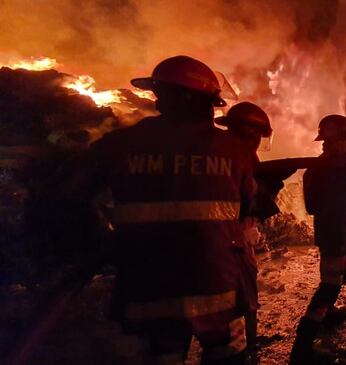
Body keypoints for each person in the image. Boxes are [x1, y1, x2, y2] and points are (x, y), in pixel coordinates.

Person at [72, 55, 257, 365]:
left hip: (149, 287)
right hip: (217, 288)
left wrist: (102, 241)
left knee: (163, 356)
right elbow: (246, 209)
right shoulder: (233, 149)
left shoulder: (121, 144)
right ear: (202, 101)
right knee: (228, 357)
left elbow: (74, 195)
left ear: (169, 96)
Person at [215, 102, 297, 353]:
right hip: (231, 238)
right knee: (239, 297)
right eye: (257, 137)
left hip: (230, 236)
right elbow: (249, 197)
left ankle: (246, 342)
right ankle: (239, 348)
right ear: (250, 133)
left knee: (243, 294)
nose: (258, 143)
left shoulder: (225, 150)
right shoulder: (235, 154)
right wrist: (271, 183)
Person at [289, 114, 346, 364]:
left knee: (343, 272)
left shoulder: (335, 165)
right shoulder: (333, 167)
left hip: (341, 232)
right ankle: (303, 343)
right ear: (341, 140)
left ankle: (328, 313)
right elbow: (321, 202)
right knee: (330, 286)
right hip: (335, 234)